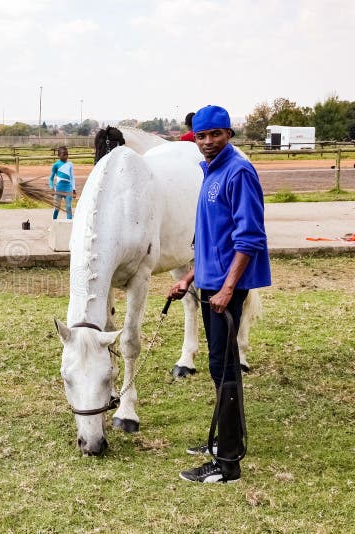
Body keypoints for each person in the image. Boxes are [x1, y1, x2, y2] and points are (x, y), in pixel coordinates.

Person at [167, 105, 271, 483]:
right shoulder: (210, 172)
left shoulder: (238, 172)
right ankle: (226, 438)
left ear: (229, 134)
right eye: (201, 136)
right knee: (218, 366)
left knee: (223, 367)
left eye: (215, 134)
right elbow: (214, 241)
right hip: (210, 283)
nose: (208, 142)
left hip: (227, 289)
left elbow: (249, 238)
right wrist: (190, 278)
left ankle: (228, 463)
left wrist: (228, 288)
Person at [48, 146, 76, 219]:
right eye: (64, 154)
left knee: (68, 208)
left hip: (68, 189)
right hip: (59, 190)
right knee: (57, 208)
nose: (66, 156)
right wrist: (51, 188)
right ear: (59, 155)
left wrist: (74, 189)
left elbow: (72, 177)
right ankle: (53, 223)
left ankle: (69, 224)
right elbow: (51, 179)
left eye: (67, 154)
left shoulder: (70, 164)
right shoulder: (56, 165)